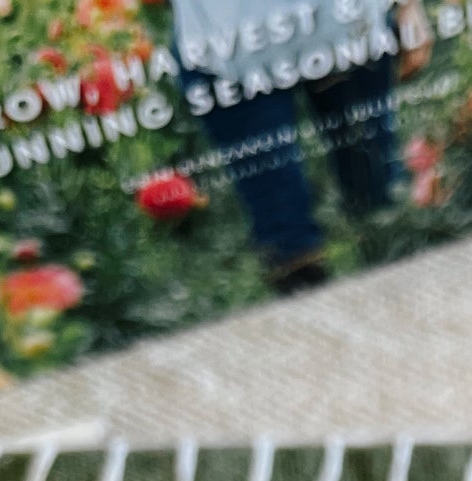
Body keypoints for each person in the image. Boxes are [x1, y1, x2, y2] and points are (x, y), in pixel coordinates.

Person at [173, 0, 432, 288]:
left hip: (343, 25)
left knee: (381, 202)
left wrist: (407, 5)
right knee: (289, 244)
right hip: (226, 45)